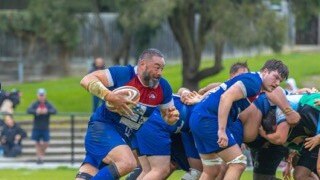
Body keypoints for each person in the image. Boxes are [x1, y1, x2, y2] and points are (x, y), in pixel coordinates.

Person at [76, 48, 179, 180]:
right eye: (157, 68)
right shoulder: (124, 74)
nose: (159, 73)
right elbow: (86, 79)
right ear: (143, 64)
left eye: (162, 69)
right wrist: (109, 95)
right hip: (103, 127)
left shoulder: (163, 87)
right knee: (127, 162)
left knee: (90, 171)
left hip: (125, 136)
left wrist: (171, 118)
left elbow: (167, 114)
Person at [189, 59, 290, 179]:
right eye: (276, 77)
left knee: (212, 170)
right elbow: (225, 97)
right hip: (209, 120)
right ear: (266, 71)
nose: (277, 83)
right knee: (238, 163)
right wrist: (221, 130)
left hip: (198, 117)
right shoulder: (254, 82)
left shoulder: (253, 81)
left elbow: (219, 92)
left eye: (280, 81)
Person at [27, 88, 57, 164]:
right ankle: (39, 158)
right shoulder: (35, 103)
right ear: (37, 96)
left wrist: (47, 111)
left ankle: (41, 155)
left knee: (46, 143)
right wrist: (36, 111)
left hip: (45, 127)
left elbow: (54, 111)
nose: (41, 97)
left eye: (42, 95)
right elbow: (28, 110)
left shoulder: (48, 104)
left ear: (45, 95)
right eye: (40, 95)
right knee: (37, 143)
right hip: (36, 126)